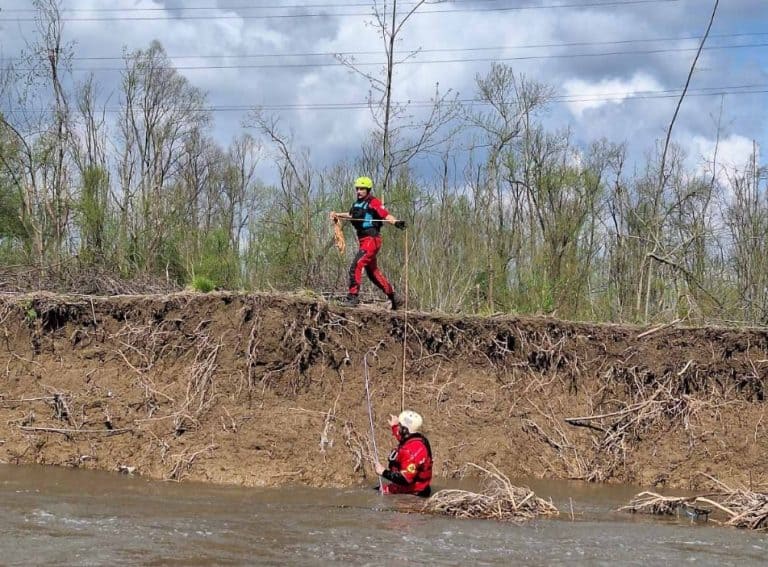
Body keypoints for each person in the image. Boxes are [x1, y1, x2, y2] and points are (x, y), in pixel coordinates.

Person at [329, 176, 406, 310]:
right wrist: (338, 215)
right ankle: (394, 297)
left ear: (368, 190)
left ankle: (353, 297)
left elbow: (386, 215)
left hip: (372, 240)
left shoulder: (373, 202)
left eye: (362, 189)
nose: (359, 191)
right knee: (373, 273)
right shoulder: (357, 204)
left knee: (356, 265)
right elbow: (351, 215)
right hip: (363, 240)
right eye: (357, 188)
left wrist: (396, 222)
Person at [374, 410, 433, 497]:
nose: (399, 428)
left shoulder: (411, 452)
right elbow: (404, 438)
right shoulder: (417, 438)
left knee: (375, 492)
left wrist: (383, 472)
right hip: (415, 488)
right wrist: (394, 426)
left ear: (405, 430)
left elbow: (405, 480)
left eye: (400, 426)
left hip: (413, 493)